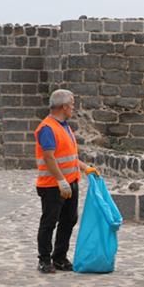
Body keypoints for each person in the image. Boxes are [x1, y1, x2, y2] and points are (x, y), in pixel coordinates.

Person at [35, 89, 97, 274]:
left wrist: (85, 168)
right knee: (49, 221)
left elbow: (68, 156)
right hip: (53, 185)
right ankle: (44, 259)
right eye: (71, 105)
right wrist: (61, 181)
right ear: (63, 107)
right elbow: (49, 157)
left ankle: (60, 257)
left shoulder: (64, 126)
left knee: (69, 219)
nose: (73, 108)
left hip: (70, 182)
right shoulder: (47, 128)